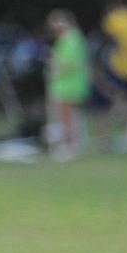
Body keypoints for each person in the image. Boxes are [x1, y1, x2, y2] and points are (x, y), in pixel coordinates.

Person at [92, 0, 127, 145]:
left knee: (111, 102)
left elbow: (106, 39)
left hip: (115, 65)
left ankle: (107, 138)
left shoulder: (113, 18)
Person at [46, 10, 91, 160]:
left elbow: (67, 63)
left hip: (68, 84)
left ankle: (70, 145)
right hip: (67, 83)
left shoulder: (71, 38)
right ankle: (71, 143)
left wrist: (54, 71)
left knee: (68, 116)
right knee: (69, 116)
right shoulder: (70, 38)